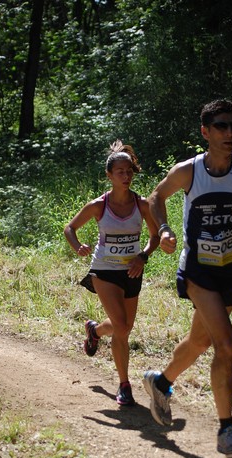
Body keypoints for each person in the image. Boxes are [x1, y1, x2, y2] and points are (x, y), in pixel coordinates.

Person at [143, 99, 232, 458]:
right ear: (205, 132)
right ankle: (226, 430)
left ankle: (160, 382)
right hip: (198, 270)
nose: (229, 133)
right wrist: (164, 230)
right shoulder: (188, 171)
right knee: (227, 345)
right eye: (221, 126)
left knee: (200, 341)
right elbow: (156, 196)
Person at [64, 140, 159, 406]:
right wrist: (77, 246)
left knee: (124, 327)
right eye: (120, 172)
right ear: (109, 175)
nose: (126, 176)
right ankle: (124, 384)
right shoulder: (98, 205)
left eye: (129, 171)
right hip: (103, 270)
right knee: (122, 327)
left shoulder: (142, 205)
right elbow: (70, 228)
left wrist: (143, 256)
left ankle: (94, 331)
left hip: (132, 271)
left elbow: (153, 237)